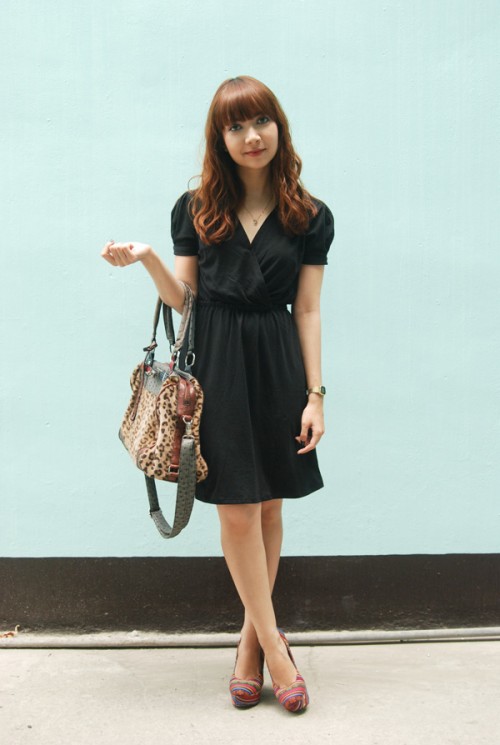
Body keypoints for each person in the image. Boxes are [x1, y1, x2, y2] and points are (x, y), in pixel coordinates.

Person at [101, 75, 334, 713]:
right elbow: (186, 301)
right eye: (235, 126)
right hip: (218, 365)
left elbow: (308, 308)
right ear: (220, 138)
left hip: (279, 363)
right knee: (236, 508)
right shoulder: (196, 208)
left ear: (279, 127)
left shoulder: (310, 215)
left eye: (260, 121)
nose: (251, 136)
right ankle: (276, 648)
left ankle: (249, 643)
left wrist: (316, 395)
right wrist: (149, 258)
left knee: (269, 507)